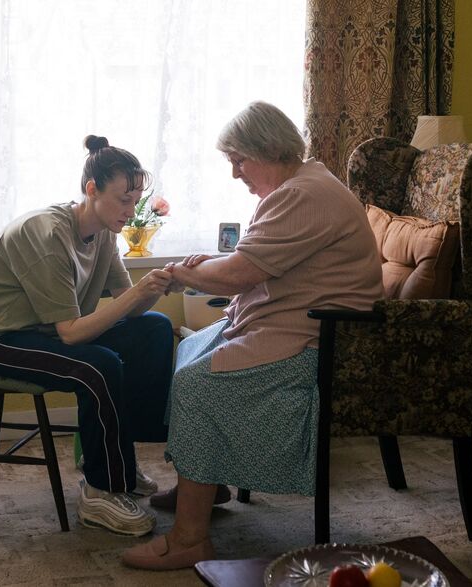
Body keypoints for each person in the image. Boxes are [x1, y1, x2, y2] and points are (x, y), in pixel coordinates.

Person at [121, 101, 384, 570]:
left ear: (266, 149)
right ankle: (205, 481)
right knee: (191, 350)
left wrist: (187, 273)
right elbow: (255, 260)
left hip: (314, 342)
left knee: (200, 383)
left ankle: (189, 539)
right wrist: (203, 266)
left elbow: (239, 274)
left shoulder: (302, 195)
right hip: (288, 323)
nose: (236, 173)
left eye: (238, 160)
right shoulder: (300, 186)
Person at [0, 135, 176, 537]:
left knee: (156, 330)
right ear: (92, 190)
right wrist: (140, 294)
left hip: (41, 331)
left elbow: (127, 303)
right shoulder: (47, 235)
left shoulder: (106, 231)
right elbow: (72, 335)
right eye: (124, 200)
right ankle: (100, 491)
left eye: (136, 199)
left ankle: (122, 463)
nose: (131, 210)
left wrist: (157, 285)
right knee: (99, 366)